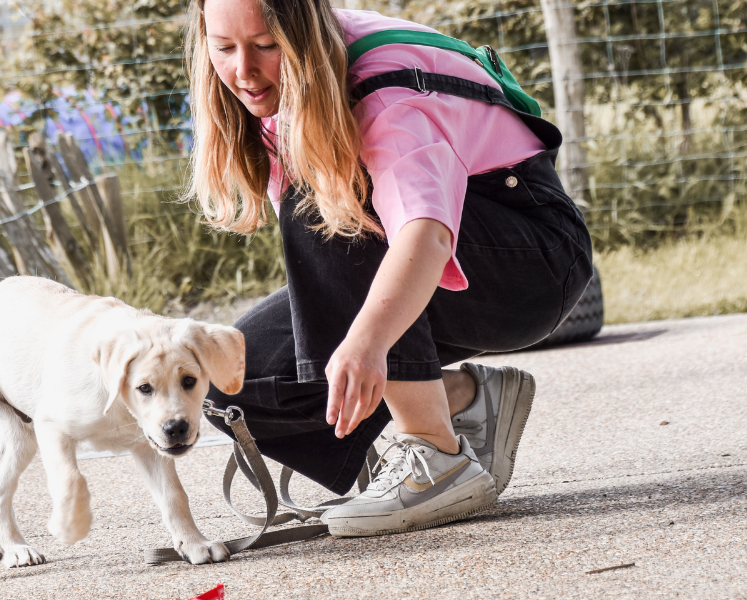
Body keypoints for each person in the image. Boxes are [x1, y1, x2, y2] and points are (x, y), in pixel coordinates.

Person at [189, 0, 594, 536]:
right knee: (230, 383)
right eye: (224, 48)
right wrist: (342, 340)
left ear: (306, 32)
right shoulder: (273, 89)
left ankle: (434, 453)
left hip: (531, 261)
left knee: (323, 204)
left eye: (267, 46)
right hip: (434, 254)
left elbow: (424, 232)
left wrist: (367, 342)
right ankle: (463, 402)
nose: (244, 70)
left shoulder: (382, 92)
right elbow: (336, 266)